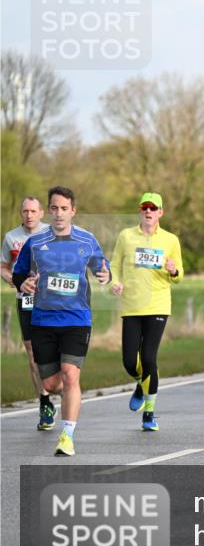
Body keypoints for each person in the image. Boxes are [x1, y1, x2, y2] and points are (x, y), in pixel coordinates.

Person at [12, 186, 111, 456]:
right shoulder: (35, 242)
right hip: (43, 320)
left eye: (64, 208)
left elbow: (103, 267)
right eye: (54, 208)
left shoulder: (87, 240)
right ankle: (54, 403)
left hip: (77, 319)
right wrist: (25, 285)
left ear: (73, 211)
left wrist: (105, 276)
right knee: (51, 384)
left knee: (70, 375)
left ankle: (67, 435)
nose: (58, 213)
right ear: (49, 210)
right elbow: (18, 274)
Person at [109, 192, 184, 431]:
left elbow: (179, 275)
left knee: (149, 358)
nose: (148, 212)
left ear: (161, 212)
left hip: (158, 304)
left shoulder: (171, 240)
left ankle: (149, 414)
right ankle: (142, 384)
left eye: (153, 208)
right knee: (130, 361)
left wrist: (173, 270)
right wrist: (114, 283)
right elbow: (114, 264)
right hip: (131, 305)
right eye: (145, 208)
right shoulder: (126, 236)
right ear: (140, 211)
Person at [1, 196, 54, 428]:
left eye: (33, 211)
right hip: (27, 300)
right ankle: (44, 402)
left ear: (41, 213)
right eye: (25, 211)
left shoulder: (53, 233)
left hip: (53, 299)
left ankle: (61, 384)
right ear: (21, 214)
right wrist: (11, 278)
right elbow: (3, 266)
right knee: (32, 353)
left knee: (55, 349)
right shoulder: (12, 238)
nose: (29, 215)